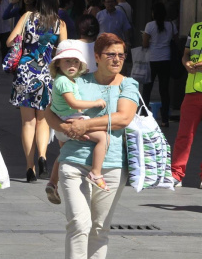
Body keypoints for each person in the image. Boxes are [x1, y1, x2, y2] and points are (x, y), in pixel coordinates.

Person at [45, 33, 139, 258]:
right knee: (78, 223)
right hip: (73, 161)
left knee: (99, 229)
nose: (117, 59)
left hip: (113, 165)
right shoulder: (77, 79)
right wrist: (66, 128)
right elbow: (49, 111)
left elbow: (123, 118)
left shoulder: (128, 84)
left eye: (121, 55)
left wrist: (85, 126)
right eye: (110, 54)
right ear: (97, 56)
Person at [6, 0, 67, 182]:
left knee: (27, 122)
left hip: (25, 72)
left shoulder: (27, 16)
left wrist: (24, 42)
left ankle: (29, 167)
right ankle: (42, 155)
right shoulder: (60, 23)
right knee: (43, 121)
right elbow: (64, 52)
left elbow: (9, 42)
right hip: (46, 74)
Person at [46, 40, 109, 205]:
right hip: (70, 119)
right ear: (58, 63)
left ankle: (52, 183)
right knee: (103, 138)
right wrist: (95, 103)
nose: (72, 64)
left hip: (63, 121)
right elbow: (73, 103)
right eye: (67, 61)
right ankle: (96, 172)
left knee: (63, 153)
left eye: (75, 61)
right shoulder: (64, 81)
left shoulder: (67, 79)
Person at [170, 21, 202, 189]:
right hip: (192, 90)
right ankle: (176, 174)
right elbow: (186, 54)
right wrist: (186, 63)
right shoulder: (195, 28)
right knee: (184, 134)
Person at [142, 3, 177, 128]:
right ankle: (165, 119)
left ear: (153, 13)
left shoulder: (150, 26)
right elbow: (174, 39)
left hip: (152, 59)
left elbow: (145, 43)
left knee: (147, 88)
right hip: (166, 59)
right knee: (164, 90)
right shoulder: (171, 25)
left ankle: (144, 116)